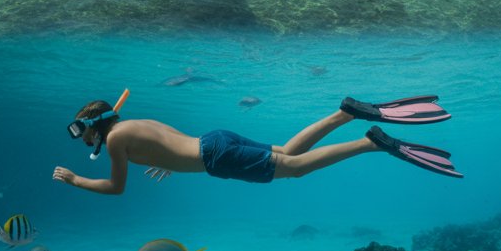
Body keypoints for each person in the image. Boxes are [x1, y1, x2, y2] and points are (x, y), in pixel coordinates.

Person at [52, 92, 462, 195]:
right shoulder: (134, 124)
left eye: (79, 129)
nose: (81, 137)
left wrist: (76, 180)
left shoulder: (114, 140)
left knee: (295, 170)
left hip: (216, 158)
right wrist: (168, 162)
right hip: (214, 139)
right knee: (288, 151)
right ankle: (346, 113)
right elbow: (170, 143)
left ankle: (370, 143)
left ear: (94, 125)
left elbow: (116, 187)